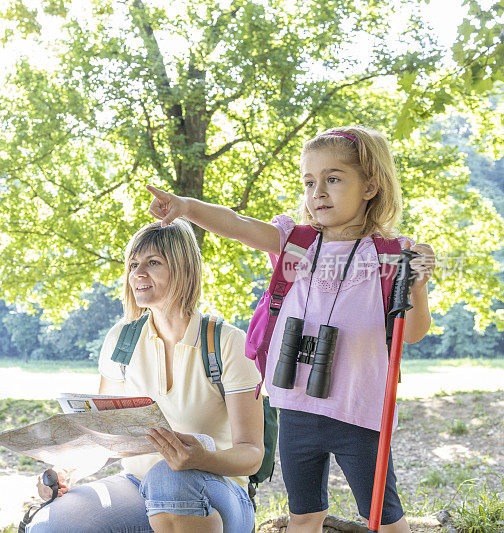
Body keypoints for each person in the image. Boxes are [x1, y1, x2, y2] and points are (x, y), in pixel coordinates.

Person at [145, 126, 436, 533]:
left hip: (360, 411)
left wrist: (417, 282)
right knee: (303, 515)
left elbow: (413, 333)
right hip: (296, 407)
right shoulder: (295, 244)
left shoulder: (390, 254)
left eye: (333, 179)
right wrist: (186, 207)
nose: (318, 192)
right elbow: (237, 223)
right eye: (309, 181)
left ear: (370, 186)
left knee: (383, 518)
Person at [27, 218, 265, 533]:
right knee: (50, 525)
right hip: (137, 486)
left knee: (167, 478)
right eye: (133, 264)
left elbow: (251, 455)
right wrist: (67, 471)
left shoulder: (227, 342)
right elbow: (108, 440)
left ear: (183, 269)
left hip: (218, 492)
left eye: (153, 263)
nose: (138, 273)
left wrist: (199, 459)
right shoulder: (121, 340)